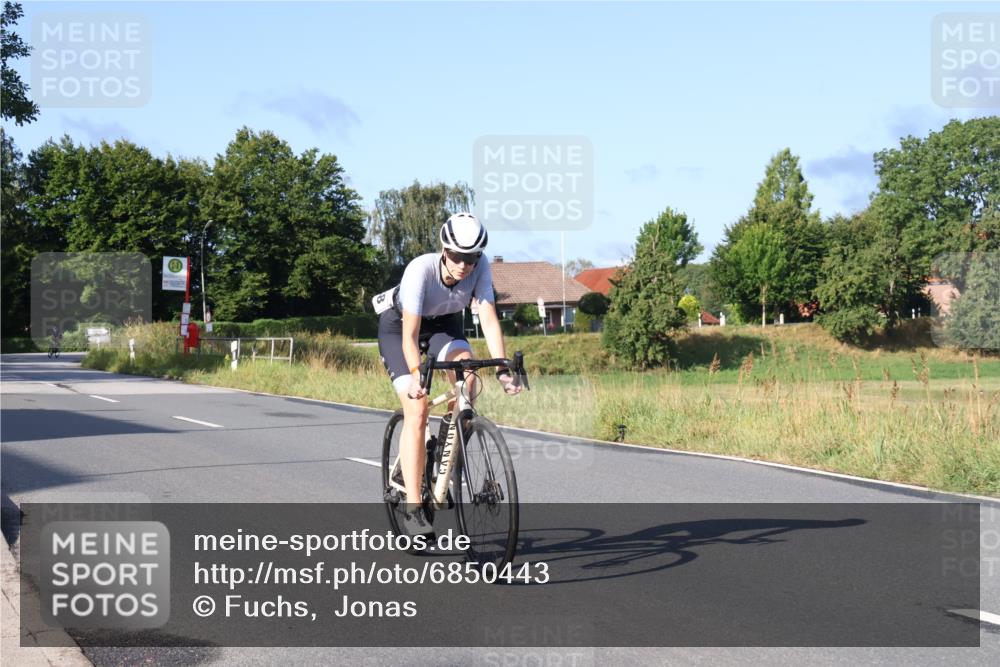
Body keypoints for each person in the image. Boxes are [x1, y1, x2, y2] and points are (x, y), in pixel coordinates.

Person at [375, 212, 521, 536]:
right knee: (418, 407)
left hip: (443, 325)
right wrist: (416, 376)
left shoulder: (479, 268)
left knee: (468, 374)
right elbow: (410, 337)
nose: (464, 265)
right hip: (401, 328)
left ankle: (442, 451)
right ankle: (414, 508)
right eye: (457, 256)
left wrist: (501, 369)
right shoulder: (420, 271)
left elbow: (488, 318)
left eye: (471, 258)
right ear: (444, 249)